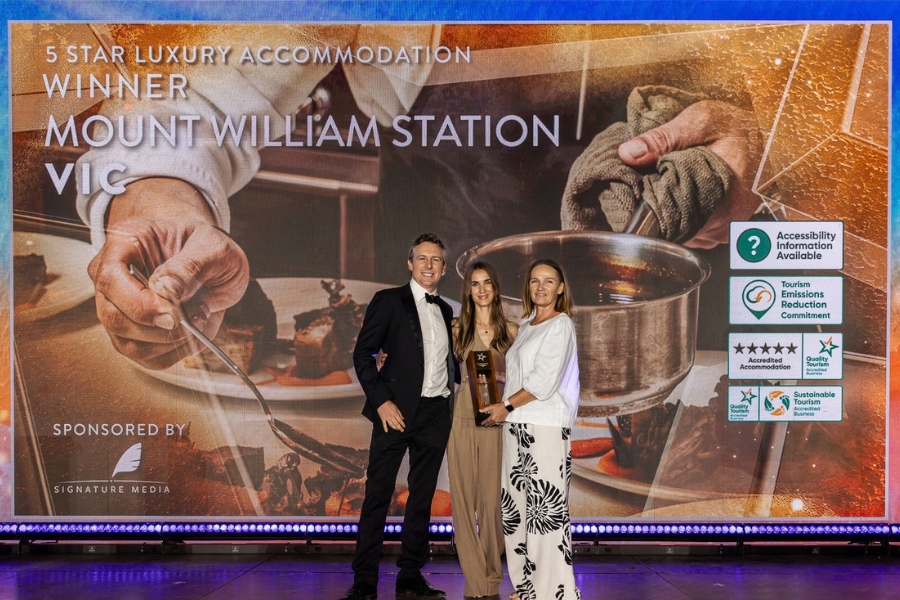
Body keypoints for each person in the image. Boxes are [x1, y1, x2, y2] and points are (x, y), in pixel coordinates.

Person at [342, 233, 455, 600]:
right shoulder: (388, 300)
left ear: (443, 268)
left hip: (435, 413)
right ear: (410, 263)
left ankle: (410, 577)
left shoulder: (446, 310)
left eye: (435, 259)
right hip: (394, 412)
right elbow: (363, 354)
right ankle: (364, 583)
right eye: (422, 258)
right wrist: (381, 403)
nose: (428, 265)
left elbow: (444, 362)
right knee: (378, 495)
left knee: (421, 499)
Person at [480, 259, 581, 600]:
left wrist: (505, 406)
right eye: (535, 280)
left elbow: (544, 381)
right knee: (517, 510)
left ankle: (554, 591)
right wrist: (493, 388)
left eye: (549, 281)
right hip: (516, 425)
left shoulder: (561, 324)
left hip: (545, 426)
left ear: (560, 288)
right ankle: (528, 587)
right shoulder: (526, 325)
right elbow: (519, 378)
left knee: (545, 511)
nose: (541, 287)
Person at [448, 262, 518, 600]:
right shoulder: (456, 328)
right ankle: (476, 580)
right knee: (463, 502)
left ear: (495, 287)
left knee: (491, 505)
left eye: (487, 282)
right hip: (461, 419)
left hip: (496, 422)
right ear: (468, 291)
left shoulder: (513, 331)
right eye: (475, 284)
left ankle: (491, 576)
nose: (481, 289)